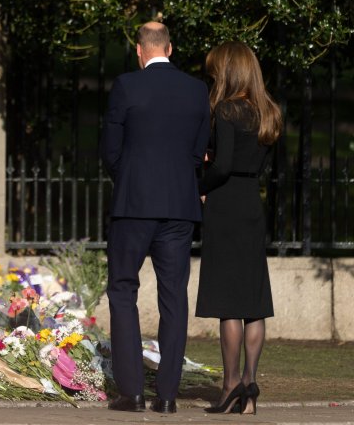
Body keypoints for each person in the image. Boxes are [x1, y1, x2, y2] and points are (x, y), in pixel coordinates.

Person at [101, 22, 211, 414]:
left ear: (139, 50)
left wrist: (129, 177)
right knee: (173, 298)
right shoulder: (197, 90)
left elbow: (110, 149)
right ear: (171, 47)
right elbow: (199, 151)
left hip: (133, 205)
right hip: (180, 207)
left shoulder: (127, 86)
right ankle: (167, 395)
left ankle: (131, 392)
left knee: (123, 291)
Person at [197, 42, 281, 416]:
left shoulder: (227, 109)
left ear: (228, 70)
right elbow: (252, 161)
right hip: (251, 203)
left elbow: (223, 166)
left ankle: (230, 386)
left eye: (216, 71)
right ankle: (249, 384)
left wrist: (201, 184)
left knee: (228, 303)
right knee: (253, 301)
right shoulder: (269, 111)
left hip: (226, 205)